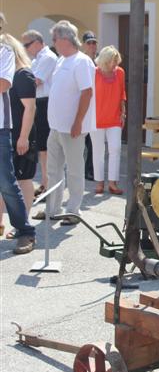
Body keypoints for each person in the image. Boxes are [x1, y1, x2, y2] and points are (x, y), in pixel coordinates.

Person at [39, 21, 95, 225]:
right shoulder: (62, 60)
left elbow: (87, 92)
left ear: (64, 39)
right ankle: (53, 209)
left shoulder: (82, 61)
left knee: (74, 170)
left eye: (54, 39)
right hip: (56, 126)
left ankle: (73, 210)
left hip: (72, 128)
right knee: (53, 170)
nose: (52, 43)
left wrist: (78, 122)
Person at [0, 15, 36, 254]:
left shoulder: (5, 52)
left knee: (6, 182)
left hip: (0, 128)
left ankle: (25, 232)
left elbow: (3, 83)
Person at [21, 30, 57, 196]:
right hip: (40, 103)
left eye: (27, 45)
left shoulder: (47, 57)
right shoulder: (38, 58)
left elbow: (36, 81)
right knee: (41, 147)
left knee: (44, 147)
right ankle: (45, 182)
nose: (26, 49)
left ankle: (46, 183)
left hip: (44, 104)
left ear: (37, 42)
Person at [90, 46, 126, 195]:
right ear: (104, 60)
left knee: (115, 149)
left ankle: (112, 183)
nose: (115, 64)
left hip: (114, 118)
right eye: (112, 60)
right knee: (98, 151)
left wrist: (123, 113)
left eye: (116, 60)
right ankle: (99, 183)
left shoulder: (120, 72)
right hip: (96, 118)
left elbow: (122, 93)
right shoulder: (93, 72)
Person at [82, 31, 97, 181]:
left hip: (95, 108)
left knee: (92, 142)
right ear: (83, 45)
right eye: (89, 43)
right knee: (82, 142)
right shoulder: (81, 61)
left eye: (94, 43)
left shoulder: (98, 62)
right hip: (84, 107)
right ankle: (80, 170)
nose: (92, 46)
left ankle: (89, 170)